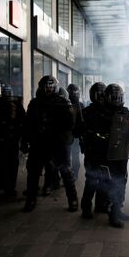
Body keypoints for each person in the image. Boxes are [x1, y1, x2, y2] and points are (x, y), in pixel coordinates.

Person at [81, 83, 129, 228]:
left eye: (119, 97)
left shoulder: (126, 113)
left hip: (120, 155)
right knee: (105, 183)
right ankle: (111, 214)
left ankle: (117, 209)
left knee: (121, 182)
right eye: (114, 97)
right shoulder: (99, 113)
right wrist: (104, 138)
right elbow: (92, 134)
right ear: (107, 98)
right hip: (104, 155)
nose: (117, 99)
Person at [21, 75, 78, 212]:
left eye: (51, 86)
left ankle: (73, 200)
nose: (49, 89)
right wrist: (25, 141)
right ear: (41, 88)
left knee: (66, 171)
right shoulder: (35, 103)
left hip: (58, 142)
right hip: (39, 142)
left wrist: (67, 107)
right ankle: (31, 199)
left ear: (56, 87)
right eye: (46, 86)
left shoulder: (62, 102)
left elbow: (70, 123)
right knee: (33, 172)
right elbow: (27, 124)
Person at [80, 82, 110, 217]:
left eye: (103, 95)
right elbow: (80, 131)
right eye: (98, 95)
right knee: (92, 180)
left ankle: (101, 205)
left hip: (105, 151)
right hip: (92, 151)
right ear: (93, 95)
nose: (101, 97)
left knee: (104, 180)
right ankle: (86, 208)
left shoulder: (110, 111)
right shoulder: (86, 112)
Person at [67, 84, 84, 180]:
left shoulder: (80, 105)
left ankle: (74, 173)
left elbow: (82, 122)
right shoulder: (66, 104)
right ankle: (72, 173)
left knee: (73, 155)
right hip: (69, 134)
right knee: (72, 155)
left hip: (74, 135)